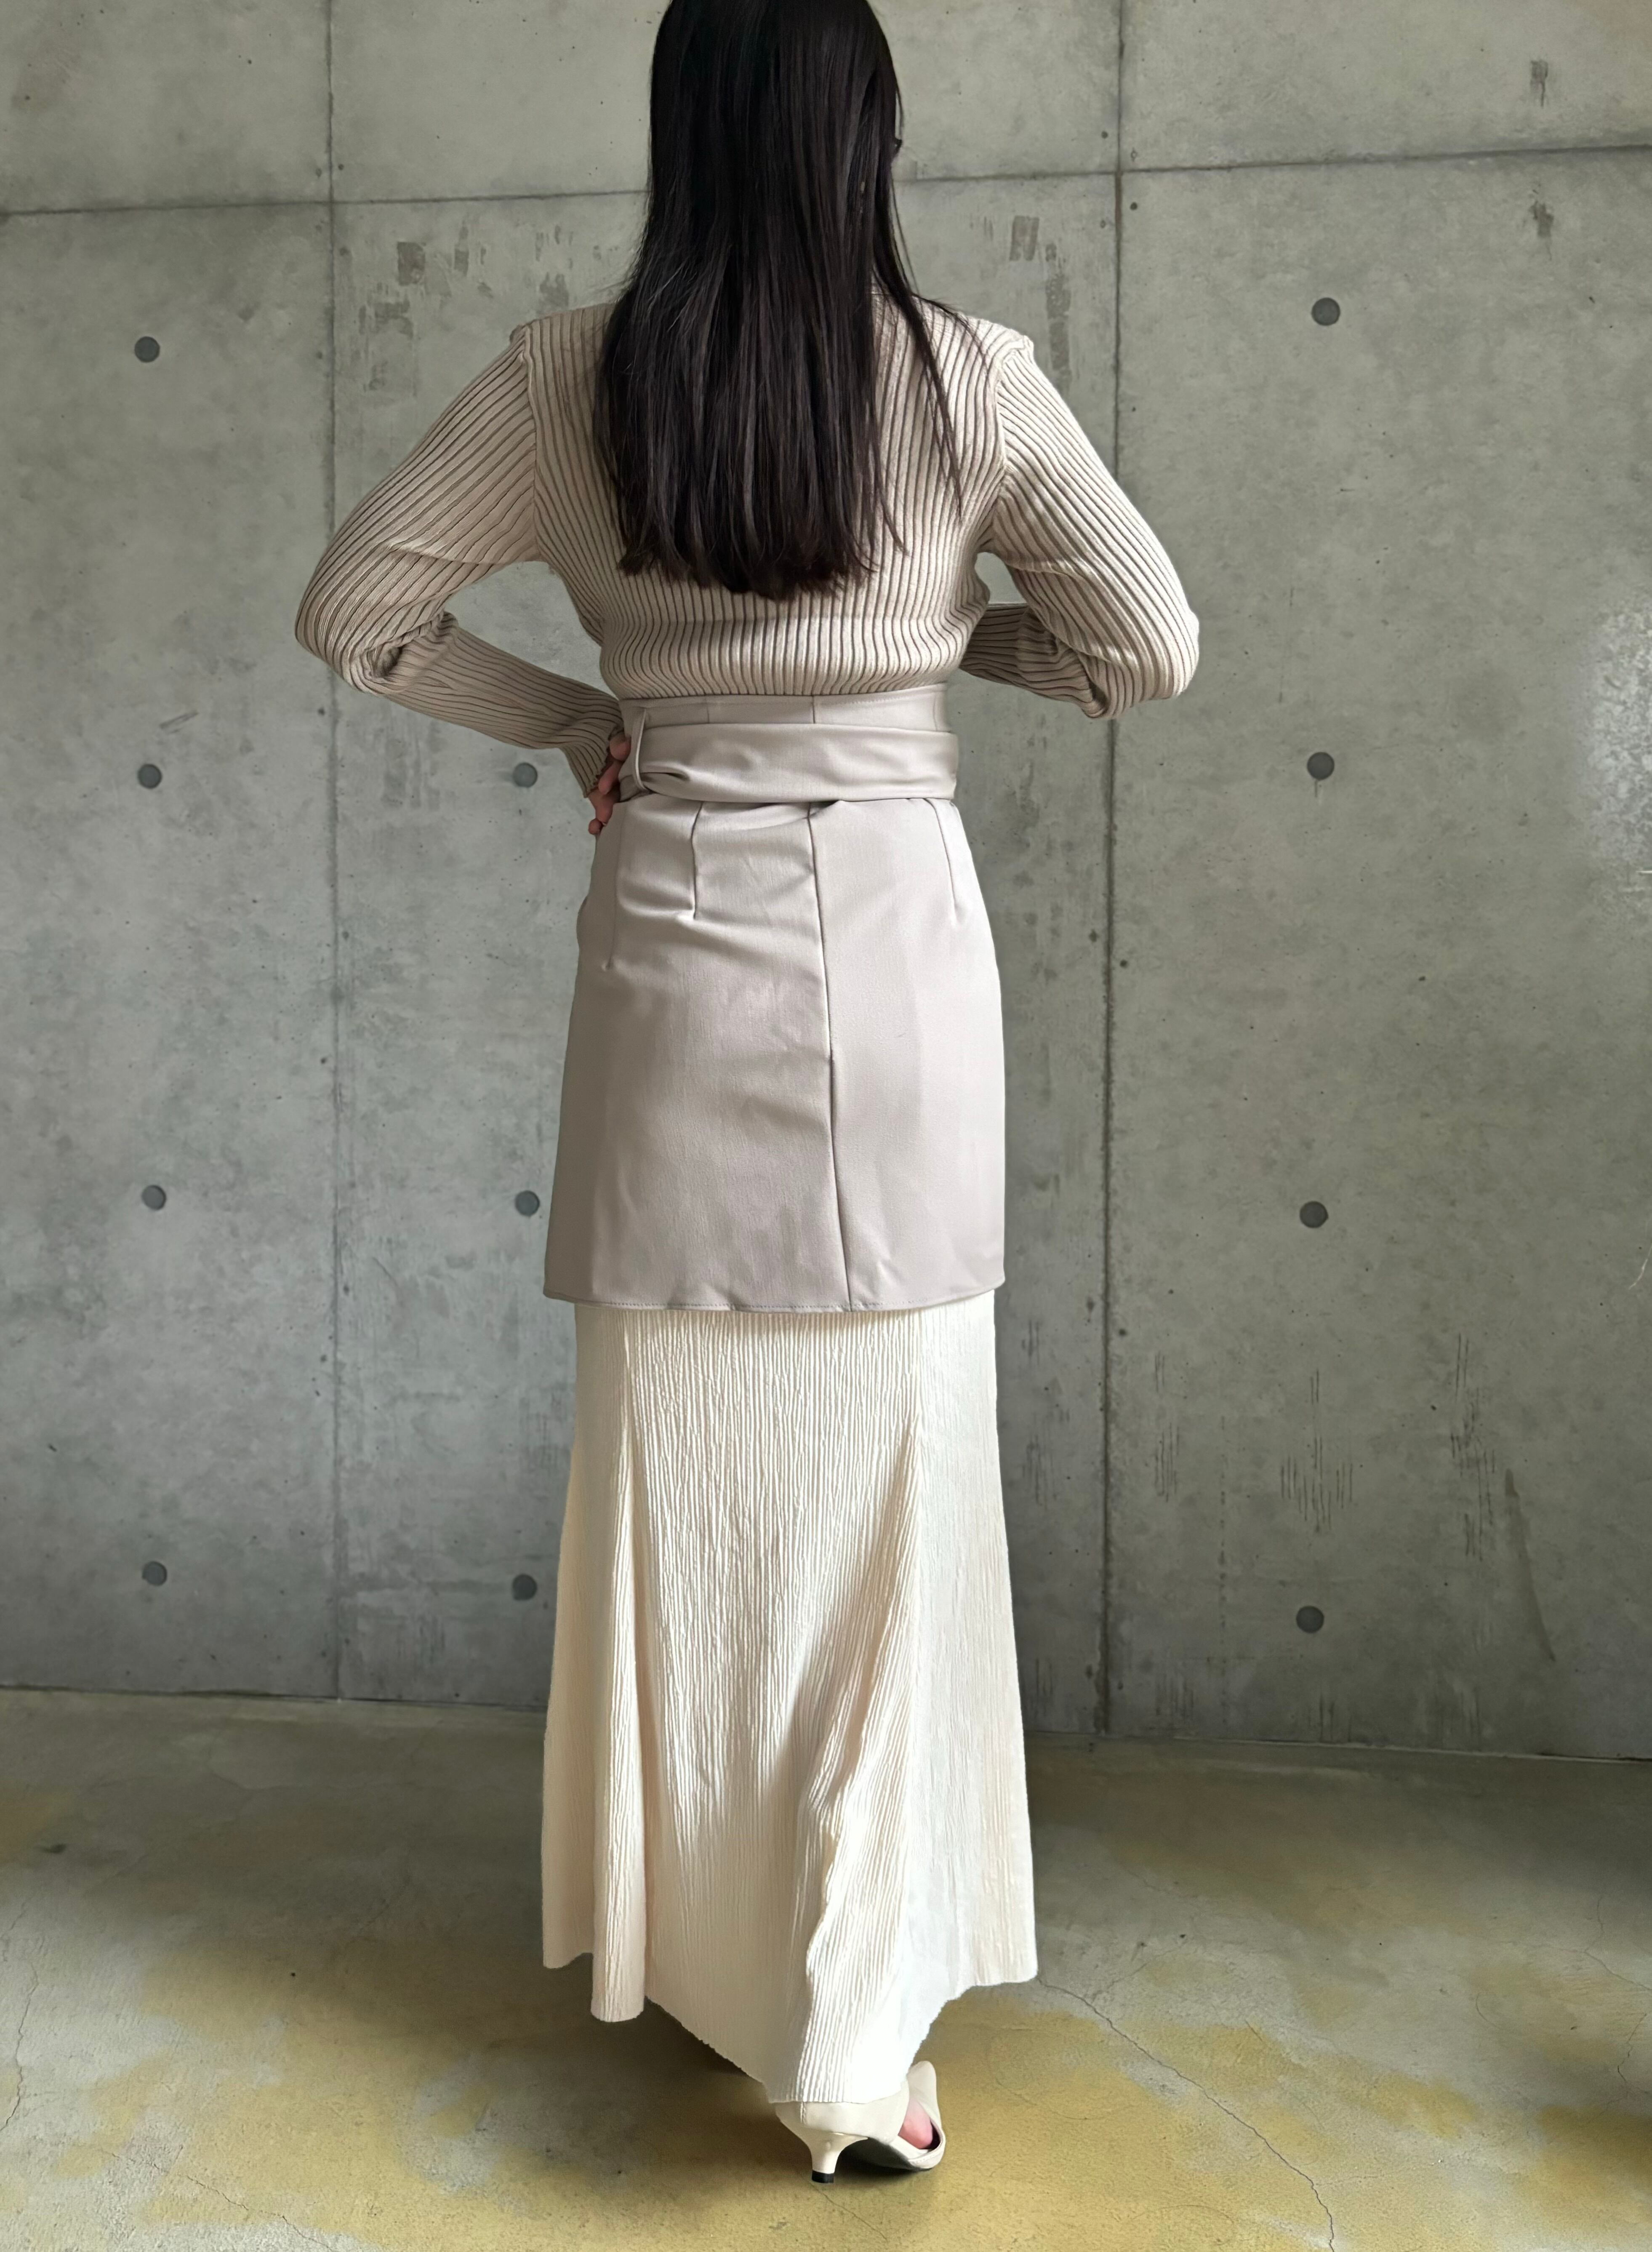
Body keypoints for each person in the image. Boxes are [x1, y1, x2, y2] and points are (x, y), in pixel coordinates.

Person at [293, 0, 1198, 2185]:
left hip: (676, 962)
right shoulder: (967, 381)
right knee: (891, 1494)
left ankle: (717, 1966)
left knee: (689, 1480)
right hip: (896, 970)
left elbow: (359, 612)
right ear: (864, 139)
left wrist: (582, 723)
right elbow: (1146, 646)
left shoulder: (566, 382)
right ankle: (853, 2029)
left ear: (680, 130)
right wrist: (945, 644)